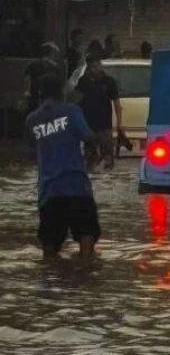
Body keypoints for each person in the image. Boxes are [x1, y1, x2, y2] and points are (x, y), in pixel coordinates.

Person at [25, 73, 100, 259]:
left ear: (41, 93)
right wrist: (96, 150)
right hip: (77, 186)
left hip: (49, 191)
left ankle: (50, 281)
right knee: (86, 235)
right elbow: (88, 137)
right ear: (61, 91)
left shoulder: (32, 119)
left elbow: (31, 147)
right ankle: (86, 273)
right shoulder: (72, 111)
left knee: (49, 245)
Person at [75, 53, 123, 170]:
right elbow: (77, 101)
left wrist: (119, 124)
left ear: (101, 66)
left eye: (97, 66)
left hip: (105, 125)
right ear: (89, 68)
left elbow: (116, 103)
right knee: (89, 160)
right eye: (92, 67)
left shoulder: (109, 82)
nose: (95, 69)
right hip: (88, 126)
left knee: (108, 158)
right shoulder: (83, 81)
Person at [25, 42, 64, 115]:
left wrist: (28, 95)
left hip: (34, 101)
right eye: (57, 53)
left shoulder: (32, 64)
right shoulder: (56, 68)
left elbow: (28, 81)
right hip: (50, 104)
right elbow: (60, 87)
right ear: (52, 53)